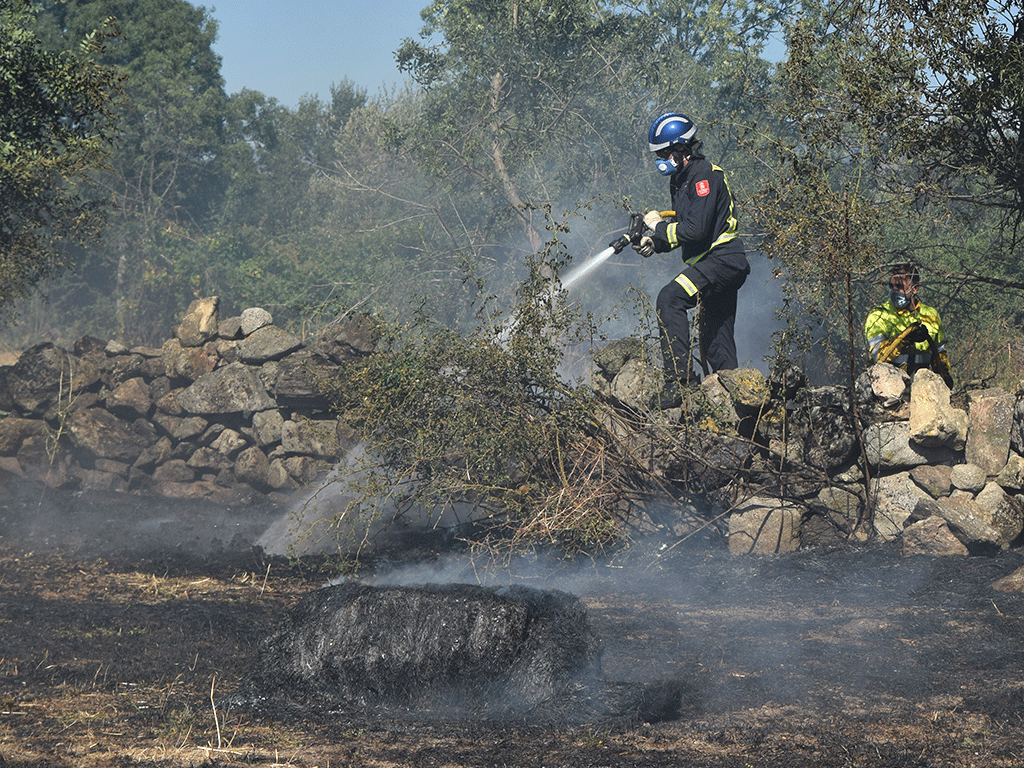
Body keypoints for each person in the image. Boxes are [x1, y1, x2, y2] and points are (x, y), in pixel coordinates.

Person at [633, 112, 750, 409]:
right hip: (713, 262)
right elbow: (689, 233)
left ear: (681, 148)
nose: (659, 159)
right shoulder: (680, 180)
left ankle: (678, 384)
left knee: (670, 298)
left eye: (662, 152)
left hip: (723, 259)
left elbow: (696, 229)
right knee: (715, 340)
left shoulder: (703, 175)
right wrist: (654, 243)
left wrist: (658, 226)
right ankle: (735, 405)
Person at [864, 262, 953, 388]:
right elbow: (877, 357)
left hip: (921, 387)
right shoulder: (879, 315)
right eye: (891, 286)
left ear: (915, 288)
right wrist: (905, 339)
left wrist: (944, 374)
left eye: (900, 287)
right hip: (888, 389)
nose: (894, 291)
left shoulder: (931, 315)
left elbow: (939, 352)